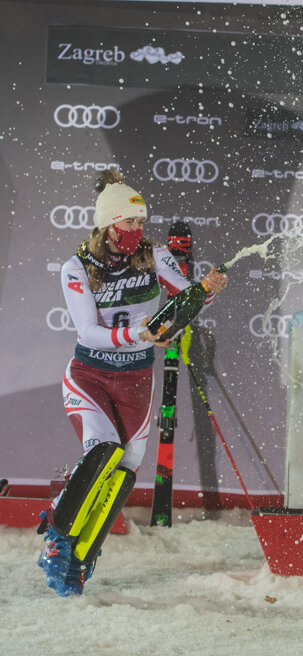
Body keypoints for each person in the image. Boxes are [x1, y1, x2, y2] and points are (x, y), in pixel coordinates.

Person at [37, 169, 228, 596]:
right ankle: (57, 535)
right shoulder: (77, 266)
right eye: (129, 222)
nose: (137, 230)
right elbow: (86, 331)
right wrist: (137, 334)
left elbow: (184, 299)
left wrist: (207, 290)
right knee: (103, 450)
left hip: (136, 381)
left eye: (142, 222)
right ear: (109, 224)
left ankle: (81, 559)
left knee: (123, 474)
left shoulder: (155, 255)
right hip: (91, 377)